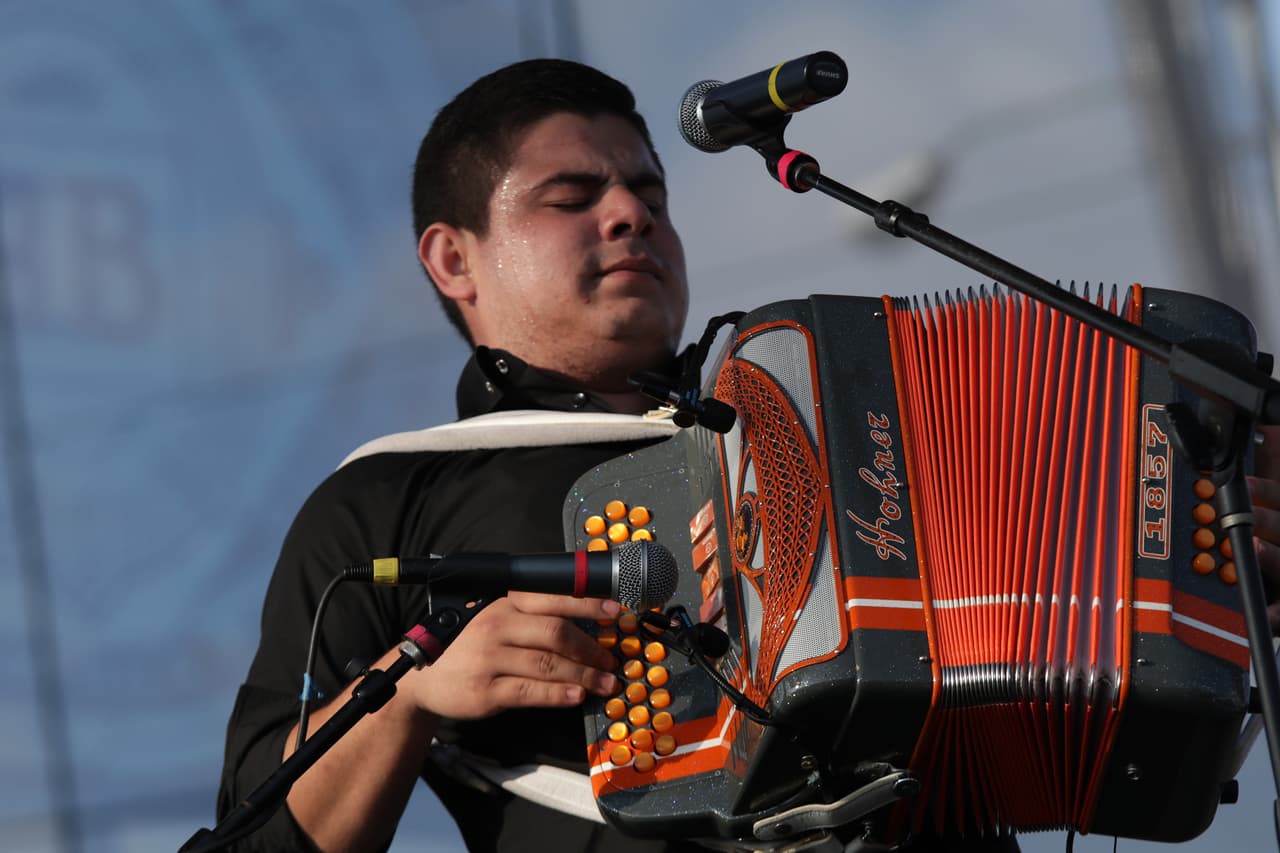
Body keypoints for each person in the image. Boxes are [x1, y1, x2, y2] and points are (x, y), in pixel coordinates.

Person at [217, 57, 1280, 853]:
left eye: (647, 192)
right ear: (453, 258)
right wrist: (408, 695)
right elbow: (257, 835)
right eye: (571, 198)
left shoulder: (788, 408)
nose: (630, 212)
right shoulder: (389, 500)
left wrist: (1225, 547)